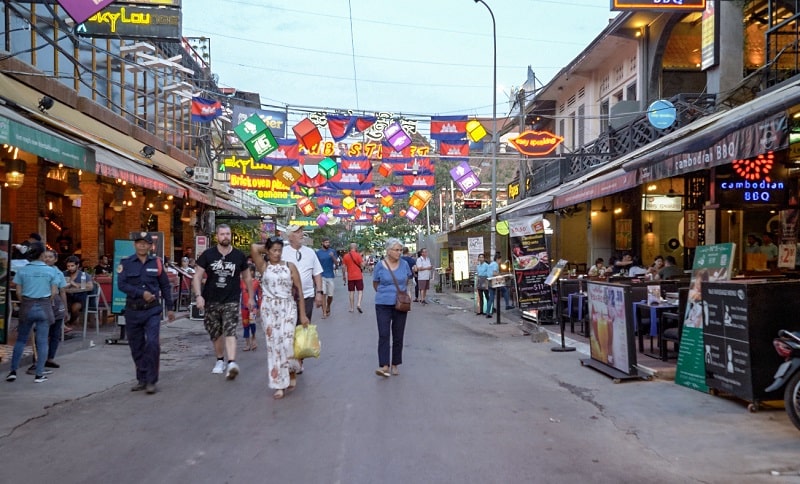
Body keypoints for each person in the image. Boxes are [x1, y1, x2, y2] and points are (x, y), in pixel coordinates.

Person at [193, 224, 255, 380]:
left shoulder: (239, 256)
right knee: (215, 332)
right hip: (211, 299)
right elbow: (197, 276)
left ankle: (232, 363)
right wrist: (198, 296)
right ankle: (220, 360)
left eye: (228, 234)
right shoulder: (208, 255)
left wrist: (251, 297)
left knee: (230, 329)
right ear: (217, 236)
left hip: (231, 299)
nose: (225, 236)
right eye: (222, 234)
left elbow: (247, 277)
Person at [117, 233, 175, 394]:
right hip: (133, 310)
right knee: (136, 346)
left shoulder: (156, 263)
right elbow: (121, 285)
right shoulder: (126, 263)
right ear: (135, 245)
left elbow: (165, 285)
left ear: (151, 246)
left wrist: (170, 308)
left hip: (152, 311)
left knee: (152, 344)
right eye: (139, 243)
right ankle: (141, 379)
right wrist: (140, 293)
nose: (142, 246)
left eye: (145, 243)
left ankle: (151, 380)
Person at [251, 236, 308, 399]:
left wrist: (303, 314)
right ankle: (279, 384)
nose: (277, 253)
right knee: (274, 346)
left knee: (287, 343)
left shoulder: (290, 266)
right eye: (274, 250)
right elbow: (254, 248)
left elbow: (300, 292)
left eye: (279, 250)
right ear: (268, 251)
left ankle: (291, 369)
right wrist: (267, 247)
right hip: (269, 309)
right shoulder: (264, 266)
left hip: (288, 307)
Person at [5, 242, 61, 383]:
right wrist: (46, 299)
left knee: (21, 340)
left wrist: (25, 301)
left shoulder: (23, 271)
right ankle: (39, 374)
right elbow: (54, 291)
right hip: (44, 306)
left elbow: (18, 292)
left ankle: (13, 371)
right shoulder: (51, 271)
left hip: (27, 306)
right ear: (42, 254)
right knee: (42, 341)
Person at [372, 238, 413, 378]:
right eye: (396, 250)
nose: (399, 253)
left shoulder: (405, 264)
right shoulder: (379, 265)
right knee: (383, 334)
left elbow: (407, 280)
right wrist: (385, 294)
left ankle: (395, 363)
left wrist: (403, 293)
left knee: (398, 334)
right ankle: (384, 365)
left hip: (400, 304)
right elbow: (375, 283)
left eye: (400, 250)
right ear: (388, 251)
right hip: (382, 304)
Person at [26, 249, 68, 375]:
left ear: (55, 259)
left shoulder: (58, 273)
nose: (47, 259)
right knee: (41, 334)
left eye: (50, 257)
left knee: (55, 334)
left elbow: (62, 291)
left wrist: (65, 309)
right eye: (45, 256)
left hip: (56, 305)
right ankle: (37, 362)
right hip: (41, 304)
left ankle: (50, 358)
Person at [63, 255, 93, 329]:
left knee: (75, 307)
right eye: (68, 266)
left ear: (77, 265)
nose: (70, 268)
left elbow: (90, 286)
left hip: (80, 299)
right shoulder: (64, 274)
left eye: (72, 266)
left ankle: (71, 322)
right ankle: (61, 326)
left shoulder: (83, 275)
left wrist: (75, 284)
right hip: (66, 298)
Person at [315, 237, 338, 318]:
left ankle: (328, 306)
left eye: (328, 242)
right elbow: (315, 265)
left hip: (330, 276)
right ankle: (324, 312)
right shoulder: (318, 253)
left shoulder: (332, 251)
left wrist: (332, 257)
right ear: (322, 243)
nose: (327, 244)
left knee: (330, 295)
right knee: (323, 294)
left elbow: (337, 263)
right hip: (322, 276)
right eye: (326, 242)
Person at [241, 264, 260, 351]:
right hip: (244, 306)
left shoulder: (256, 282)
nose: (249, 272)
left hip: (253, 307)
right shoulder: (241, 282)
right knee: (245, 324)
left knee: (252, 323)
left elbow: (259, 295)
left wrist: (259, 306)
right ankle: (247, 343)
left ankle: (254, 338)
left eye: (251, 270)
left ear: (253, 271)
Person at [342, 242, 365, 313]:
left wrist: (344, 276)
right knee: (360, 291)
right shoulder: (358, 255)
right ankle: (358, 304)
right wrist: (364, 261)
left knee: (351, 292)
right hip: (358, 276)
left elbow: (343, 267)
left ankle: (352, 308)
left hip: (350, 277)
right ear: (356, 247)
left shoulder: (345, 256)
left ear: (350, 247)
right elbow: (362, 265)